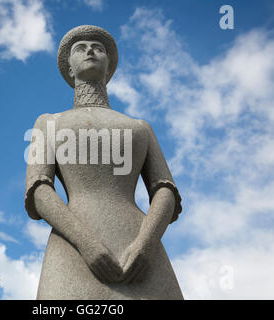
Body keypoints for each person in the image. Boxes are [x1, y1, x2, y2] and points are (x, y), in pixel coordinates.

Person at [24, 25, 183, 299]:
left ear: (109, 67)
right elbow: (39, 190)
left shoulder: (140, 127)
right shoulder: (48, 123)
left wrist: (146, 244)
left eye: (98, 48)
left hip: (139, 245)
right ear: (69, 69)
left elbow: (164, 189)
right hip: (72, 244)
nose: (90, 51)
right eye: (80, 48)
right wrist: (86, 243)